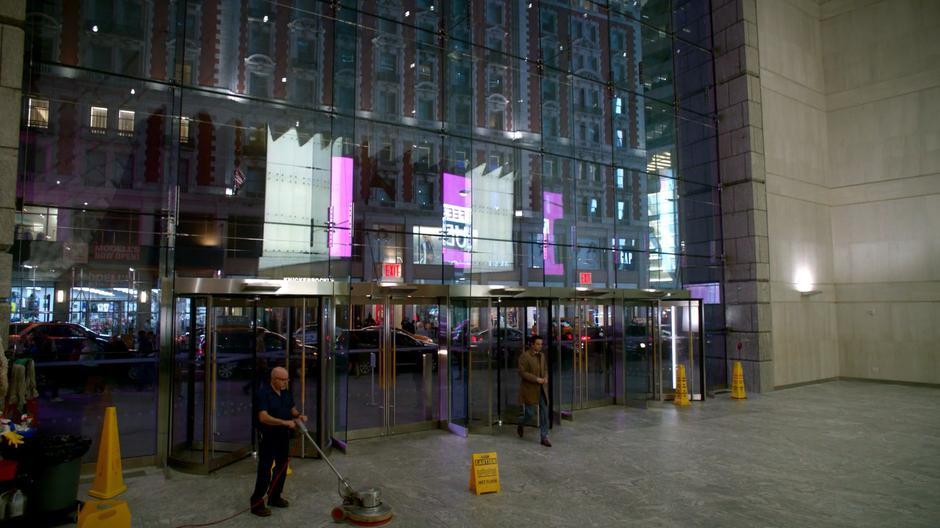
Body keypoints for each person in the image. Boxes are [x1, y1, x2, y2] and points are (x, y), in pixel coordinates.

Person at [250, 367, 307, 517]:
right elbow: (263, 417)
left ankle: (275, 496)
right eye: (282, 380)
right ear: (273, 379)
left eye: (286, 379)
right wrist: (284, 422)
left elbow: (292, 409)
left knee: (282, 466)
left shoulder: (286, 394)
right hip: (268, 436)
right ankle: (256, 503)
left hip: (283, 436)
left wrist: (299, 416)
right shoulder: (262, 394)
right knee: (265, 469)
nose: (285, 382)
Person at [517, 335, 551, 447]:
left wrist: (545, 377)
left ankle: (544, 437)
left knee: (544, 413)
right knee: (530, 414)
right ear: (531, 344)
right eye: (537, 344)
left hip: (541, 389)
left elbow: (545, 368)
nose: (540, 346)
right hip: (530, 389)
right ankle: (521, 423)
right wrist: (536, 379)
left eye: (541, 344)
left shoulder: (542, 356)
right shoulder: (525, 356)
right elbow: (522, 373)